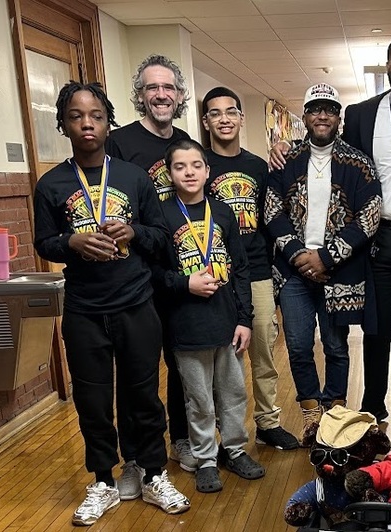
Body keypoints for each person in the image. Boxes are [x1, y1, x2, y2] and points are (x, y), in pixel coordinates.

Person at [268, 34, 391, 422]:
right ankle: (374, 408)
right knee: (376, 330)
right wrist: (284, 147)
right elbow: (328, 150)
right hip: (379, 240)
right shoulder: (362, 114)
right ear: (388, 66)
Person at [33, 81, 189, 526]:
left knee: (144, 395)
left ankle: (153, 473)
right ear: (63, 124)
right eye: (76, 116)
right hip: (84, 309)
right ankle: (103, 480)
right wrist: (72, 242)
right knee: (93, 401)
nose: (87, 123)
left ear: (108, 123)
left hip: (136, 303)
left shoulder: (134, 178)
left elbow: (162, 237)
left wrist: (134, 232)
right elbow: (43, 241)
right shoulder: (50, 184)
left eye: (96, 116)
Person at [264, 83, 381, 442]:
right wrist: (299, 255)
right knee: (299, 346)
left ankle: (335, 414)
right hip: (294, 272)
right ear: (305, 116)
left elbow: (370, 216)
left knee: (336, 347)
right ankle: (312, 413)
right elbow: (272, 212)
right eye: (315, 109)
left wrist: (326, 257)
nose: (322, 115)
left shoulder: (358, 162)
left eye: (330, 109)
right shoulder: (286, 160)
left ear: (338, 117)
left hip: (338, 272)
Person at [155, 138, 266, 494]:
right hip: (186, 325)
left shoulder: (223, 212)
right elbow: (154, 274)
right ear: (169, 173)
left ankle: (234, 450)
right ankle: (205, 458)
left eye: (195, 165)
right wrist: (184, 283)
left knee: (233, 393)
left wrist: (244, 319)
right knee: (199, 398)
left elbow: (241, 268)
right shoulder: (160, 216)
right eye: (179, 166)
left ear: (207, 171)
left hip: (226, 322)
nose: (188, 172)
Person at [105, 54, 197, 477]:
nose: (161, 95)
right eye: (151, 88)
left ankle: (181, 438)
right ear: (140, 96)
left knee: (182, 364)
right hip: (137, 275)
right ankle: (137, 455)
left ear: (179, 95)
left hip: (180, 270)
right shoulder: (119, 143)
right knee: (137, 371)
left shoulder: (186, 141)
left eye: (168, 87)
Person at [201, 86, 299, 451]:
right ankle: (223, 432)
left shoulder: (260, 166)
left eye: (231, 112)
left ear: (242, 118)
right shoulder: (199, 165)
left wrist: (286, 145)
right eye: (215, 113)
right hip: (214, 272)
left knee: (263, 349)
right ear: (206, 121)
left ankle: (268, 422)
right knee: (221, 357)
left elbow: (273, 215)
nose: (224, 119)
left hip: (257, 269)